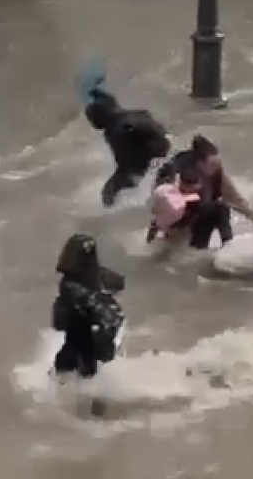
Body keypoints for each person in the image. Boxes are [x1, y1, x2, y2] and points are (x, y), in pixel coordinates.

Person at [151, 134, 253, 248]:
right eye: (213, 163)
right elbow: (160, 206)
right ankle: (203, 250)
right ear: (201, 162)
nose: (218, 166)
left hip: (200, 215)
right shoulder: (178, 174)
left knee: (220, 209)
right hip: (181, 220)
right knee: (218, 209)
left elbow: (234, 198)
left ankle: (227, 246)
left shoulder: (215, 172)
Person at [50, 234, 126, 382]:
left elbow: (117, 283)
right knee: (77, 365)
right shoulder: (72, 285)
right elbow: (91, 301)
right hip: (83, 339)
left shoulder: (92, 276)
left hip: (91, 336)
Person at [84, 86, 172, 207]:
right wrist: (96, 92)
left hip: (152, 161)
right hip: (165, 145)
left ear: (99, 119)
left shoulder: (116, 131)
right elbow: (111, 101)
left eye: (91, 119)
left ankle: (115, 217)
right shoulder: (134, 113)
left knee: (109, 191)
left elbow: (126, 165)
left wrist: (122, 181)